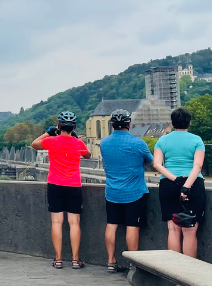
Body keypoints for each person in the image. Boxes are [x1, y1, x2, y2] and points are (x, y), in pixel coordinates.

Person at [32, 111, 91, 269]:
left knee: (56, 222)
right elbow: (88, 156)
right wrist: (76, 139)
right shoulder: (78, 143)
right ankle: (75, 259)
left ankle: (58, 259)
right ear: (74, 127)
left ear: (59, 126)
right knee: (74, 223)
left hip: (55, 185)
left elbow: (34, 144)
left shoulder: (51, 141)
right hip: (73, 186)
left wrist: (48, 133)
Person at [99, 109, 153, 273]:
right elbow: (150, 161)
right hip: (134, 192)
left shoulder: (104, 143)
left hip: (112, 192)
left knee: (111, 225)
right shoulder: (138, 143)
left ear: (112, 125)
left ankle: (110, 261)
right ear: (129, 124)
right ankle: (132, 263)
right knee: (132, 226)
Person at [153, 107, 206, 258]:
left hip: (169, 185)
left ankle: (174, 271)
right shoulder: (196, 140)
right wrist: (186, 186)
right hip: (193, 184)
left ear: (173, 122)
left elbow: (157, 164)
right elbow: (198, 165)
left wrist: (175, 179)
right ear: (189, 122)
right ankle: (188, 273)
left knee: (173, 230)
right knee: (189, 231)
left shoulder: (162, 140)